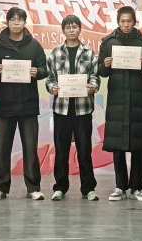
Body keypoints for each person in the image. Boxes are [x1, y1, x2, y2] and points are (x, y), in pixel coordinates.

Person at [0, 7, 48, 200]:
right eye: (13, 19)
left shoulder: (34, 45)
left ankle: (33, 187)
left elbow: (44, 69)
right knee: (1, 148)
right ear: (8, 22)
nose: (16, 23)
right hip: (6, 103)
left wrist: (38, 72)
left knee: (30, 148)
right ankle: (0, 187)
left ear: (24, 22)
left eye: (20, 19)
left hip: (28, 104)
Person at [98, 6, 142, 202]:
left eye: (129, 21)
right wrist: (105, 64)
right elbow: (101, 72)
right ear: (118, 22)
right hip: (117, 98)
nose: (126, 25)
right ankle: (120, 187)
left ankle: (137, 188)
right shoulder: (108, 42)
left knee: (139, 145)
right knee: (118, 145)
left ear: (134, 21)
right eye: (122, 21)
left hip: (138, 99)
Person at [45, 15, 100, 202]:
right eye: (68, 27)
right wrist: (52, 88)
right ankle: (60, 187)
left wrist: (93, 86)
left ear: (79, 29)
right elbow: (50, 78)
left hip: (83, 109)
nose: (71, 30)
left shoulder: (89, 53)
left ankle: (88, 188)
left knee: (84, 150)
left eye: (74, 27)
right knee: (61, 151)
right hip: (61, 109)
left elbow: (95, 77)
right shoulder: (55, 53)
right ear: (63, 30)